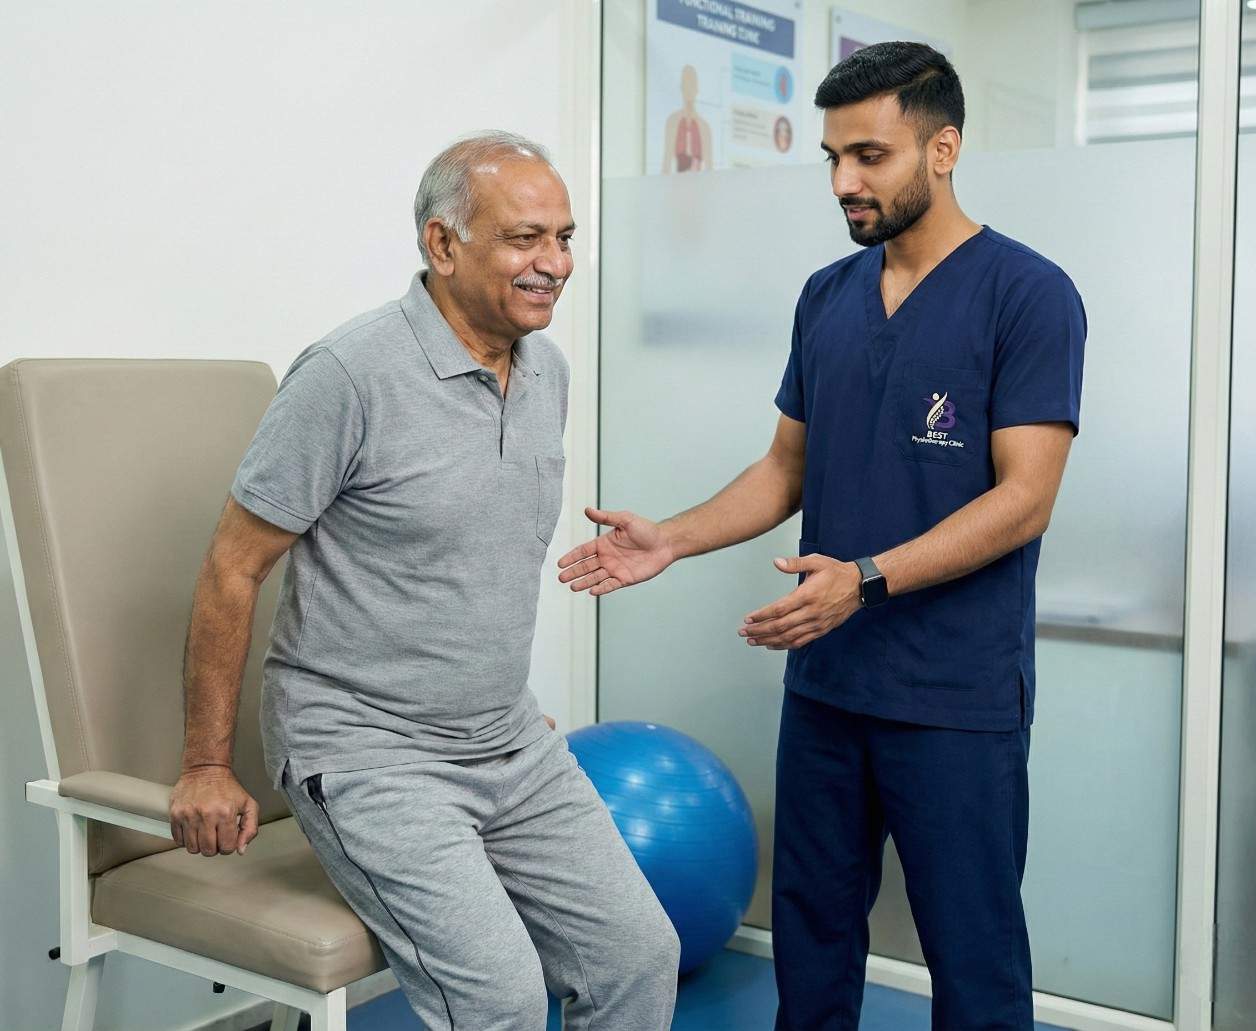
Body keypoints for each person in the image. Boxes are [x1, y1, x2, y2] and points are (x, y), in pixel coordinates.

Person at [559, 42, 1086, 1031]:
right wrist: (668, 537)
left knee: (972, 962)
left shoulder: (1026, 293)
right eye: (831, 156)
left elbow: (1024, 497)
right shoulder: (826, 295)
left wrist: (867, 579)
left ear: (942, 149)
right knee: (811, 949)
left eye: (869, 156)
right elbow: (783, 470)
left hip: (953, 697)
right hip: (827, 690)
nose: (843, 181)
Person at [169, 131, 679, 1031]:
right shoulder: (348, 375)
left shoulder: (545, 372)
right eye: (525, 238)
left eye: (564, 237)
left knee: (640, 956)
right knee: (502, 998)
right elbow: (231, 567)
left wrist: (485, 697)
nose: (554, 264)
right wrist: (206, 764)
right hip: (366, 751)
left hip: (505, 739)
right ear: (442, 245)